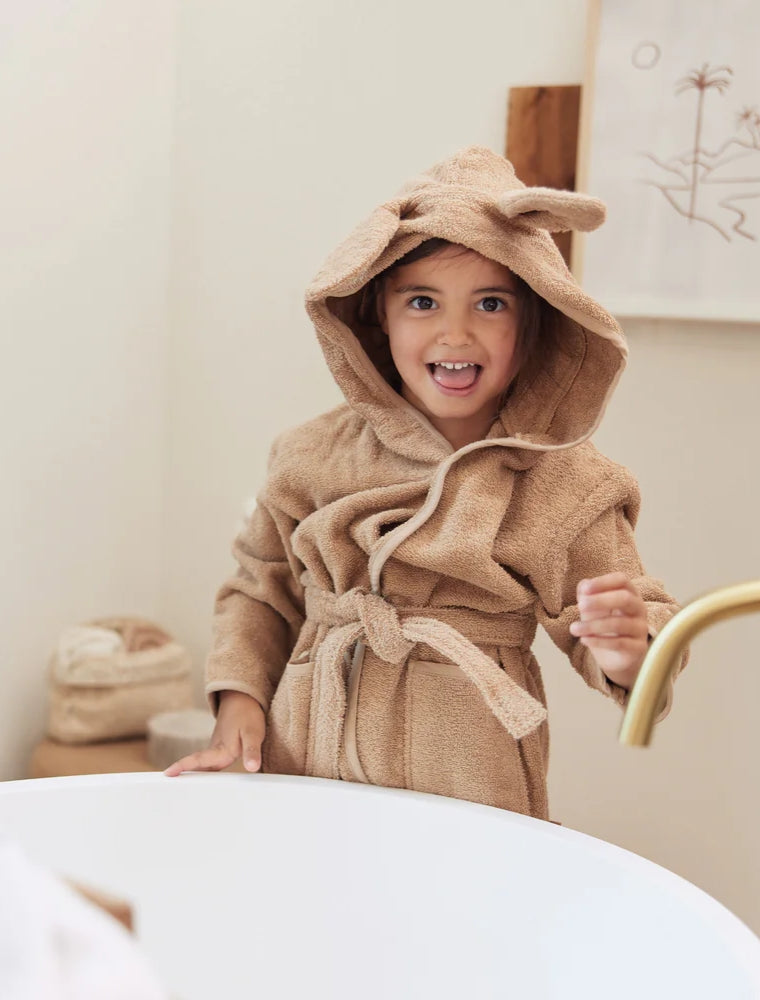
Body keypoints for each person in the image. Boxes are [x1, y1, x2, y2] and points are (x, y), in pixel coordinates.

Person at [165, 146, 685, 820]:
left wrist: (629, 649)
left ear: (535, 322)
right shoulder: (311, 456)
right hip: (306, 763)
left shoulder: (567, 484)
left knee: (463, 891)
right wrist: (239, 701)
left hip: (470, 784)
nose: (455, 333)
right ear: (378, 315)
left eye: (490, 304)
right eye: (422, 301)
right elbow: (261, 588)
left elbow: (638, 627)